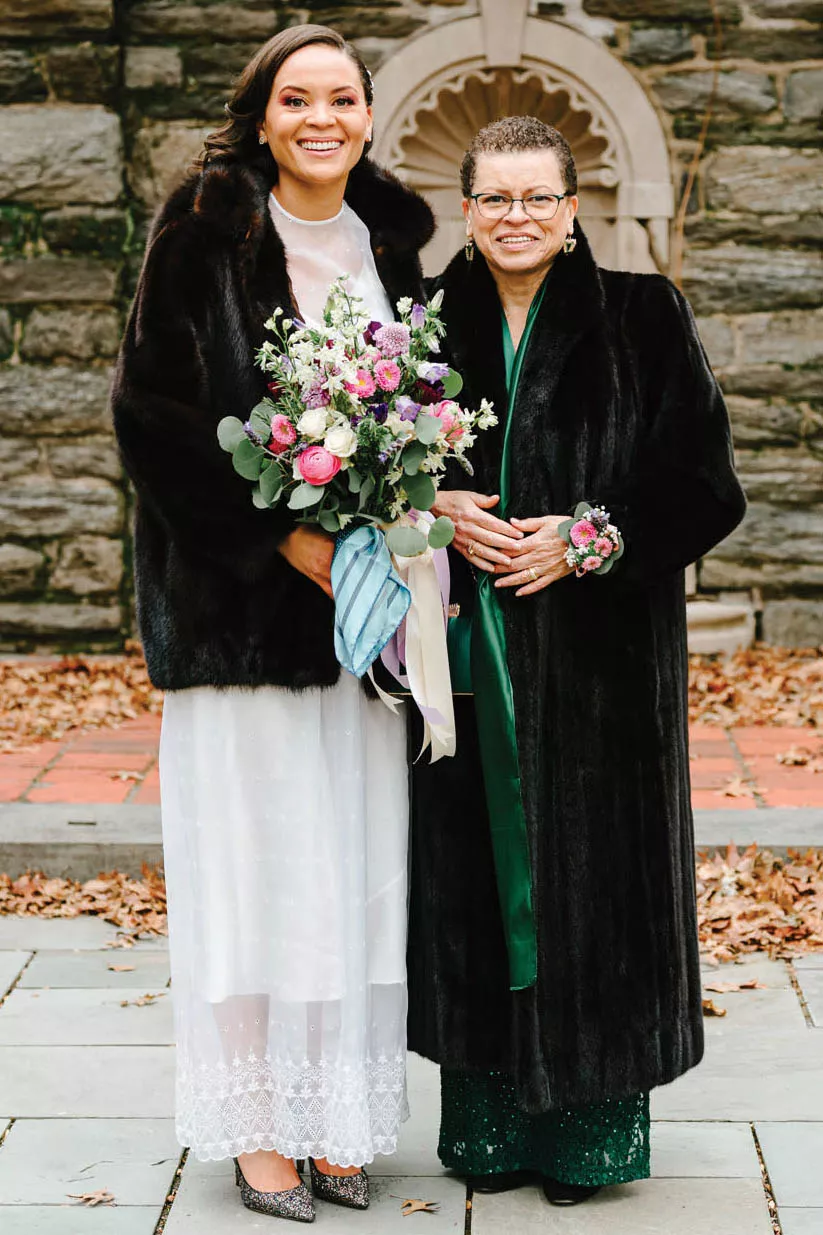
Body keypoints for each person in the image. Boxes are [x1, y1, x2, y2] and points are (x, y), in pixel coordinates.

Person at [112, 25, 434, 1224]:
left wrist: (392, 516)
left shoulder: (393, 244)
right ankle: (256, 1131)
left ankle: (332, 1112)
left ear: (365, 116)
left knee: (350, 868)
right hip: (236, 615)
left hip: (360, 624)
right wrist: (283, 539)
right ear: (260, 116)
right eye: (295, 98)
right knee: (253, 872)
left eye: (341, 98)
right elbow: (150, 413)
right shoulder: (205, 227)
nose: (320, 118)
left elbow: (415, 407)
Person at [407, 116, 746, 1206]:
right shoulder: (418, 328)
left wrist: (590, 537)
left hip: (601, 671)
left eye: (535, 198)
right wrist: (432, 508)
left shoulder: (642, 316)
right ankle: (493, 1129)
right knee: (479, 877)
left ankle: (591, 1135)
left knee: (590, 885)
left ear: (568, 211)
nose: (515, 217)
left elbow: (704, 485)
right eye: (494, 198)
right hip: (461, 660)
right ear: (465, 211)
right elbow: (366, 478)